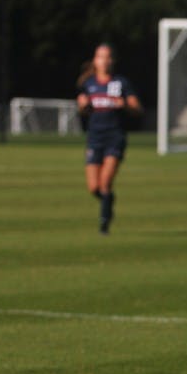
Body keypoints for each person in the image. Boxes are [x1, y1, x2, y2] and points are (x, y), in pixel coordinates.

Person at [76, 43, 142, 234]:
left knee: (105, 183)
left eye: (107, 57)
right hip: (95, 137)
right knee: (93, 187)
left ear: (112, 60)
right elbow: (84, 110)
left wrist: (126, 105)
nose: (103, 61)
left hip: (115, 137)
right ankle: (108, 200)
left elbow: (137, 109)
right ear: (95, 61)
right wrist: (82, 106)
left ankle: (104, 224)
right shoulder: (88, 84)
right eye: (100, 57)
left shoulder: (121, 83)